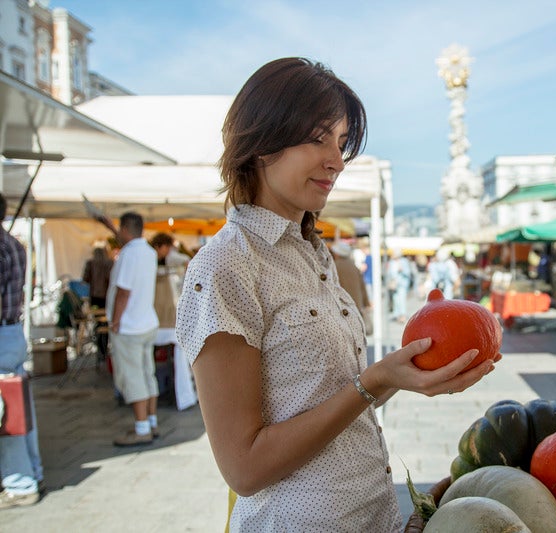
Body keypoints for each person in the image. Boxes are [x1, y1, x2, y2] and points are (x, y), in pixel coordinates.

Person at [174, 57, 496, 532]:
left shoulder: (314, 253)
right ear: (261, 140)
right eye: (318, 137)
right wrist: (371, 383)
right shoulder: (226, 266)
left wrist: (393, 377)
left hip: (372, 516)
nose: (337, 160)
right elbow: (245, 468)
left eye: (342, 143)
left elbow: (325, 396)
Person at [0, 193, 43, 509]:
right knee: (16, 407)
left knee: (7, 411)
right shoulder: (12, 244)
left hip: (4, 332)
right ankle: (31, 472)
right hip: (11, 330)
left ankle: (20, 481)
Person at [107, 212, 160, 446]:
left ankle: (142, 428)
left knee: (134, 377)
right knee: (147, 374)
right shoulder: (149, 252)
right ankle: (151, 421)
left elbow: (123, 292)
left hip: (130, 326)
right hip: (147, 321)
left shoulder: (129, 254)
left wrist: (115, 321)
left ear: (125, 229)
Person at [330, 241, 372, 334]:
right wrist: (366, 303)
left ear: (337, 253)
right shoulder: (354, 266)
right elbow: (362, 286)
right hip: (356, 304)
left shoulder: (334, 266)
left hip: (341, 306)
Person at [387, 248, 412, 323]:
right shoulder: (391, 262)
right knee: (396, 299)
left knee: (402, 299)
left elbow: (408, 273)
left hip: (402, 284)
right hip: (394, 284)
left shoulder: (404, 261)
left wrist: (402, 269)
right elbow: (389, 273)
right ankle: (397, 315)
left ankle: (403, 315)